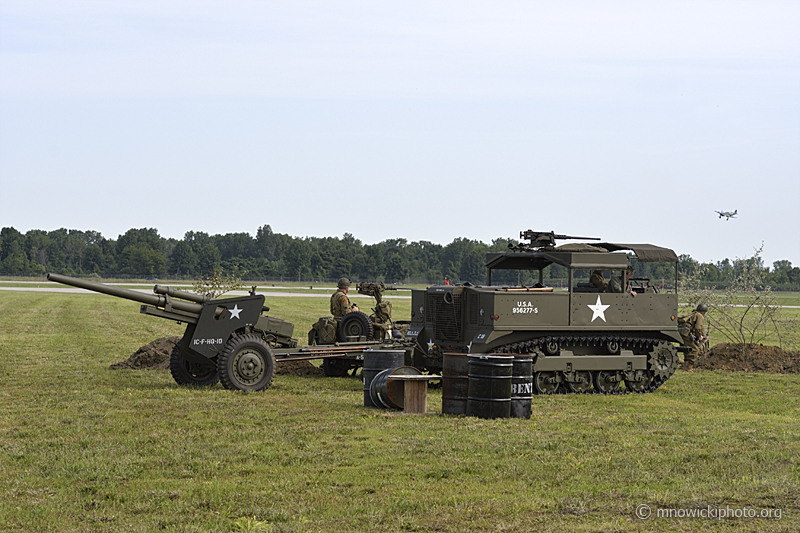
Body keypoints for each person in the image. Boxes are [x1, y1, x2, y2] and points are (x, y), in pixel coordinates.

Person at [678, 303, 708, 371]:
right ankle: (688, 368)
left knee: (686, 350)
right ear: (704, 313)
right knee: (694, 350)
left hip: (680, 332)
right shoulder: (700, 316)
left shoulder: (693, 314)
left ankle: (685, 367)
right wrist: (697, 338)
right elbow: (698, 328)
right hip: (685, 333)